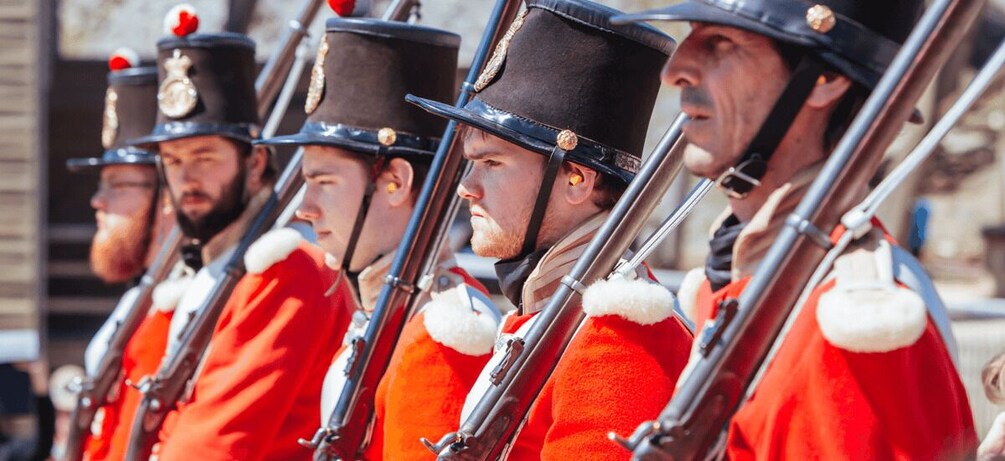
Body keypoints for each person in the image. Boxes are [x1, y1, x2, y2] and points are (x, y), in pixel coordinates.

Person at [617, 0, 978, 457]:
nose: (676, 70)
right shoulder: (735, 282)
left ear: (825, 81)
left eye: (722, 43)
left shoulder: (856, 322)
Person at [409, 0, 694, 458]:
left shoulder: (616, 333)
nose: (467, 188)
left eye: (492, 163)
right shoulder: (549, 312)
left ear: (576, 178)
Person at [259, 18, 500, 460]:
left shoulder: (444, 330)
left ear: (395, 181)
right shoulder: (379, 308)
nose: (304, 207)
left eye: (323, 181)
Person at [125, 21, 351, 460]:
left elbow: (214, 447)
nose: (186, 177)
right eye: (172, 160)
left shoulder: (288, 271)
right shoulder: (212, 274)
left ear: (255, 163)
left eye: (205, 156)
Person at [63, 51, 174, 461]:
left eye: (118, 184)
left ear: (167, 198)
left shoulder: (189, 298)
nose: (98, 200)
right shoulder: (142, 294)